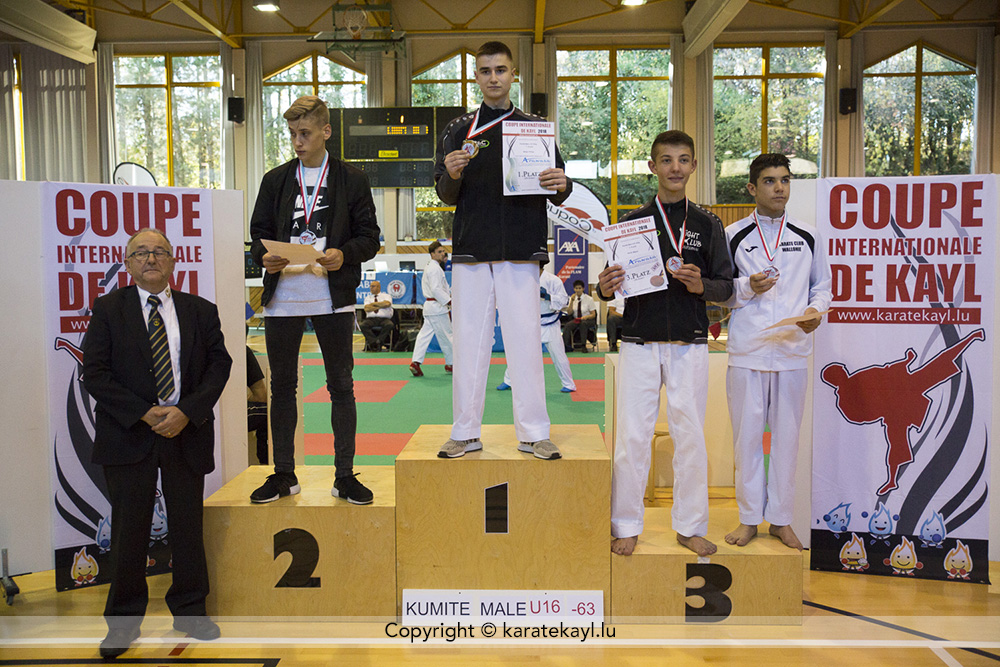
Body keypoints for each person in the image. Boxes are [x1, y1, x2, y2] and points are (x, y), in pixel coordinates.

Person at [82, 229, 232, 659]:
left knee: (187, 528)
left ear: (173, 261)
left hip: (186, 431)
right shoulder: (108, 309)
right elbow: (95, 372)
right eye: (141, 253)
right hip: (129, 433)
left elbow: (219, 365)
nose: (151, 258)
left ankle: (191, 613)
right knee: (128, 532)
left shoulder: (200, 310)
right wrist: (144, 413)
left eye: (159, 252)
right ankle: (123, 625)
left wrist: (186, 411)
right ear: (127, 263)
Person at [434, 40, 572, 461]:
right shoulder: (458, 130)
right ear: (476, 77)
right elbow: (444, 193)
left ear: (514, 75)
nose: (493, 77)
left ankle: (534, 433)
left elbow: (558, 188)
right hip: (472, 249)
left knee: (525, 340)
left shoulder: (535, 128)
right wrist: (451, 173)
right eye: (485, 71)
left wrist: (562, 183)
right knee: (469, 343)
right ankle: (465, 432)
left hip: (520, 248)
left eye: (500, 70)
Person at [598, 130, 733, 557]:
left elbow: (726, 286)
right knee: (632, 438)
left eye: (684, 159)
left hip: (689, 343)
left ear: (693, 166)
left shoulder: (708, 224)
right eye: (667, 160)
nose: (676, 167)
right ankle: (625, 524)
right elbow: (610, 287)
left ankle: (690, 526)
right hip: (638, 340)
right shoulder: (630, 224)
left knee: (690, 437)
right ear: (653, 166)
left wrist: (701, 285)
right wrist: (603, 287)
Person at [249, 95, 380, 505]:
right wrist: (263, 256)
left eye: (304, 133)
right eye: (292, 134)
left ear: (325, 131)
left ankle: (345, 476)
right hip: (283, 297)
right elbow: (257, 234)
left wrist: (345, 254)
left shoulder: (351, 179)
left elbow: (370, 237)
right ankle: (283, 475)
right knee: (282, 387)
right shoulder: (275, 180)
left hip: (332, 296)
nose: (297, 142)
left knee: (341, 385)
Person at [722, 153, 833, 551]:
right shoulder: (733, 235)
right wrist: (747, 286)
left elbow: (822, 287)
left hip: (791, 351)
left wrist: (815, 311)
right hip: (747, 351)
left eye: (784, 180)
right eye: (769, 181)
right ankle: (749, 518)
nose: (779, 188)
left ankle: (781, 520)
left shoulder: (809, 235)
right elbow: (722, 293)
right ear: (752, 188)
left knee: (786, 442)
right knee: (747, 441)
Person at [497, 265, 576, 393]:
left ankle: (569, 383)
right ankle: (508, 381)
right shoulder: (525, 279)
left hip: (550, 323)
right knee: (519, 353)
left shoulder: (553, 280)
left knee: (559, 356)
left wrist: (548, 296)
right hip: (531, 322)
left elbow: (564, 301)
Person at [410, 241, 454, 376]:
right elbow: (435, 289)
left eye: (443, 251)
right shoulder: (434, 269)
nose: (443, 254)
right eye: (439, 252)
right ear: (432, 254)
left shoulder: (431, 266)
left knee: (424, 336)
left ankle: (415, 362)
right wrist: (449, 301)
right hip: (437, 307)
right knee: (447, 335)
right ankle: (452, 363)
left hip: (431, 307)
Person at [360, 280, 396, 352]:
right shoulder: (368, 298)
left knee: (389, 325)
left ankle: (378, 341)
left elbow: (387, 304)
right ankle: (375, 342)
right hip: (371, 319)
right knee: (363, 325)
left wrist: (373, 304)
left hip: (384, 319)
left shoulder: (386, 296)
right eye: (370, 286)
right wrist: (381, 305)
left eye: (373, 286)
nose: (371, 288)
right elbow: (367, 308)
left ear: (378, 287)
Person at [563, 279, 597, 352]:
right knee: (567, 326)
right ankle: (566, 346)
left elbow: (593, 314)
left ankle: (583, 346)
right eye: (576, 288)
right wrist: (571, 301)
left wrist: (586, 317)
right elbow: (569, 312)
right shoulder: (573, 298)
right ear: (574, 289)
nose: (578, 290)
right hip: (577, 319)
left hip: (587, 320)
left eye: (579, 288)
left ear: (583, 289)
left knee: (583, 324)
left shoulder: (589, 299)